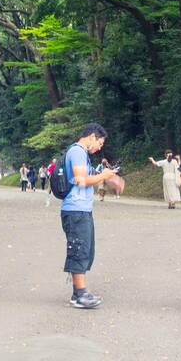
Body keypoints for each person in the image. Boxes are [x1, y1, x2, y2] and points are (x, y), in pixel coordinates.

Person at [59, 124, 123, 309]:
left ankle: (76, 293)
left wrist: (108, 177)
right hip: (75, 209)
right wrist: (104, 174)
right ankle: (80, 294)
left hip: (81, 209)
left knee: (85, 249)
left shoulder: (80, 154)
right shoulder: (78, 152)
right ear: (92, 137)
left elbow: (86, 177)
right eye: (100, 143)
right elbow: (81, 180)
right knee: (79, 249)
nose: (99, 148)